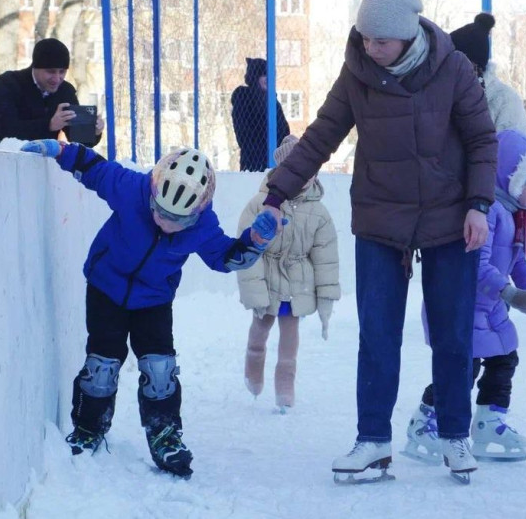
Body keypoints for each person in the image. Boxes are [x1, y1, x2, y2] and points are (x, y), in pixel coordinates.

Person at [260, 0, 498, 484]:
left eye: (380, 41)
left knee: (453, 333)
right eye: (364, 38)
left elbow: (481, 139)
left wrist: (479, 205)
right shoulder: (357, 74)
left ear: (407, 35)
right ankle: (373, 441)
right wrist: (277, 194)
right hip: (380, 218)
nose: (370, 47)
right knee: (378, 334)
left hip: (449, 217)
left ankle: (455, 436)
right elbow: (321, 136)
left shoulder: (452, 68)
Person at [19, 138, 283, 479]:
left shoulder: (203, 226)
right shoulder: (132, 189)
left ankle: (165, 435)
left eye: (176, 219)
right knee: (103, 364)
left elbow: (225, 257)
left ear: (197, 212)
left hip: (155, 299)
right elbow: (93, 168)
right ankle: (88, 427)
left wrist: (256, 241)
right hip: (106, 287)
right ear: (154, 192)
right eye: (159, 211)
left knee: (160, 369)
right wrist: (58, 150)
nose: (164, 222)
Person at [406, 129, 526, 464]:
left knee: (505, 358)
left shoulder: (515, 216)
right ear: (511, 177)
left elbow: (523, 262)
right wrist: (509, 293)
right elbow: (475, 264)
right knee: (461, 369)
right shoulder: (488, 212)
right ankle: (425, 421)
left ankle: (489, 421)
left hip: (490, 307)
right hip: (460, 305)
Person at [237, 135, 341, 413]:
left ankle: (285, 387)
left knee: (290, 336)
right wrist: (255, 291)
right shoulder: (260, 204)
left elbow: (325, 257)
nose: (301, 176)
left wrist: (326, 295)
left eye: (307, 170)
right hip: (268, 278)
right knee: (260, 328)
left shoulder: (318, 212)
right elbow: (248, 247)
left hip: (297, 285)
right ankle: (253, 369)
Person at [0, 38, 102, 146]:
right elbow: (5, 129)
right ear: (35, 67)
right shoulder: (8, 84)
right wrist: (49, 125)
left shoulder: (65, 91)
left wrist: (94, 131)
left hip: (40, 161)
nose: (57, 79)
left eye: (62, 72)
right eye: (51, 72)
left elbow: (78, 139)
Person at [450, 13, 526, 136]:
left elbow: (512, 151)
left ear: (477, 67)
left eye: (461, 64)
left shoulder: (505, 101)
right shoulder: (443, 96)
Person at [231, 57, 290, 172]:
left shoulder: (273, 102)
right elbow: (243, 134)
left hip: (275, 164)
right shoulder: (243, 98)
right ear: (255, 77)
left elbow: (285, 131)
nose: (268, 79)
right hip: (252, 165)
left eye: (270, 76)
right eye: (264, 75)